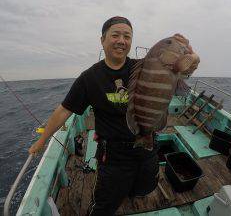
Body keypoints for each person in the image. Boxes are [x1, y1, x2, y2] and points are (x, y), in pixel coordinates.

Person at [29, 16, 192, 216]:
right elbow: (64, 109)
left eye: (127, 36)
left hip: (147, 146)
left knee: (142, 188)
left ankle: (131, 193)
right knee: (105, 205)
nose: (122, 41)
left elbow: (183, 69)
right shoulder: (90, 78)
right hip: (114, 156)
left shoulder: (145, 66)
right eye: (115, 35)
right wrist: (42, 139)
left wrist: (190, 58)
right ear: (102, 40)